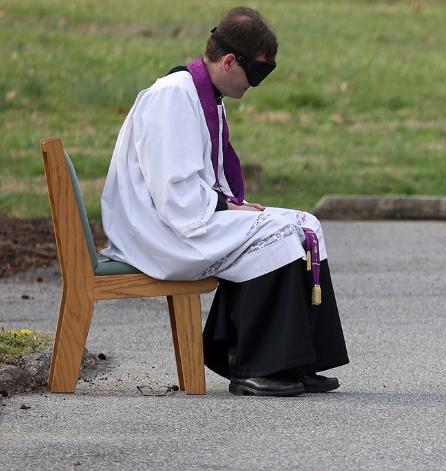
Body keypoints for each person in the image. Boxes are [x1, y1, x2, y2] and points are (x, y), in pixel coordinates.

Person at [99, 6, 348, 396]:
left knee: (305, 225)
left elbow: (198, 184)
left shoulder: (203, 96)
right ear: (230, 60)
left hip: (184, 216)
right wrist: (228, 207)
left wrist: (228, 204)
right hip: (158, 230)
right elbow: (174, 193)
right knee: (277, 234)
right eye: (256, 73)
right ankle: (251, 366)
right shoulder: (172, 97)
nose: (256, 85)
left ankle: (298, 362)